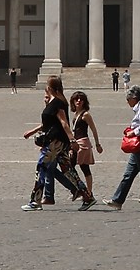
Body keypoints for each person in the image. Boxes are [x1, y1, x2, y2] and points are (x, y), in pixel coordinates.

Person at [21, 75, 89, 210]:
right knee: (67, 170)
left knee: (41, 167)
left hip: (55, 142)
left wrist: (72, 140)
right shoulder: (56, 102)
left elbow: (64, 123)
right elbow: (49, 123)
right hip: (57, 141)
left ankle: (35, 201)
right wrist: (32, 132)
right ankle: (87, 196)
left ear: (49, 87)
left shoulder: (57, 103)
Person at [105, 86, 140, 211]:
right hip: (138, 147)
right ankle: (117, 200)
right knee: (128, 174)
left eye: (128, 99)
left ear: (134, 98)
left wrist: (134, 132)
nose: (127, 102)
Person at [68, 90, 101, 206]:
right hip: (77, 143)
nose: (78, 101)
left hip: (82, 144)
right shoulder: (76, 114)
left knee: (72, 167)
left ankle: (85, 191)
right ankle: (84, 191)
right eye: (76, 99)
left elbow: (93, 129)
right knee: (80, 167)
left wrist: (97, 144)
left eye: (81, 99)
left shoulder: (85, 114)